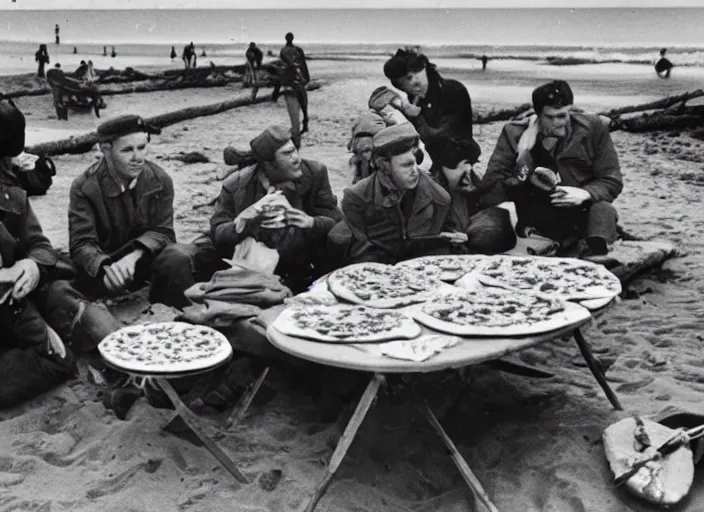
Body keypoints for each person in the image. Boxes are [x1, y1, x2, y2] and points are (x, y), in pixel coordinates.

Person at [480, 80, 623, 257]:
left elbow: (612, 180)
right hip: (535, 217)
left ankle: (595, 256)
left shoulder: (593, 128)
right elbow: (490, 192)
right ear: (538, 114)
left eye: (562, 115)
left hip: (581, 214)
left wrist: (585, 194)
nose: (557, 123)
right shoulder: (514, 134)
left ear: (570, 109)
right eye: (549, 117)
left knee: (603, 210)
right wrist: (524, 159)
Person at [0, 98, 75, 408]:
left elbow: (40, 245)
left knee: (60, 361)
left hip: (7, 301)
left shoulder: (12, 195)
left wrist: (31, 266)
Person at [208, 125, 342, 293]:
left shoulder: (315, 173)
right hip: (253, 266)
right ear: (268, 164)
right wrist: (245, 221)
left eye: (295, 150)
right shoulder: (236, 185)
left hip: (303, 266)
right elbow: (217, 234)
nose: (297, 159)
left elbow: (338, 222)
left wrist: (311, 222)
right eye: (287, 154)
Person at [341, 123, 455, 264]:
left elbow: (445, 238)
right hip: (376, 267)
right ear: (385, 166)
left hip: (419, 264)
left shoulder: (438, 197)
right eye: (406, 165)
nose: (415, 171)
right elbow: (360, 250)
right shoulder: (356, 197)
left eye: (415, 164)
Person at [383, 49, 481, 167]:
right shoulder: (414, 100)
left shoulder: (453, 90)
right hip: (433, 160)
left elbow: (443, 136)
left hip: (459, 160)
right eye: (403, 84)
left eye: (410, 77)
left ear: (424, 68)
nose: (414, 83)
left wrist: (415, 117)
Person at [427, 136, 516, 255]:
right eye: (462, 166)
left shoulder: (471, 189)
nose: (468, 177)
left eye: (470, 166)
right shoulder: (431, 192)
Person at [272, 32, 310, 147]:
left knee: (295, 119)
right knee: (301, 113)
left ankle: (296, 142)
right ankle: (300, 132)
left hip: (291, 88)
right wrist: (305, 79)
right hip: (299, 86)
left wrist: (276, 91)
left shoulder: (284, 52)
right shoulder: (298, 50)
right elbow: (303, 66)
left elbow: (282, 72)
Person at [347, 111, 386, 184]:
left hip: (359, 146)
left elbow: (349, 146)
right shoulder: (381, 124)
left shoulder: (359, 122)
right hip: (368, 146)